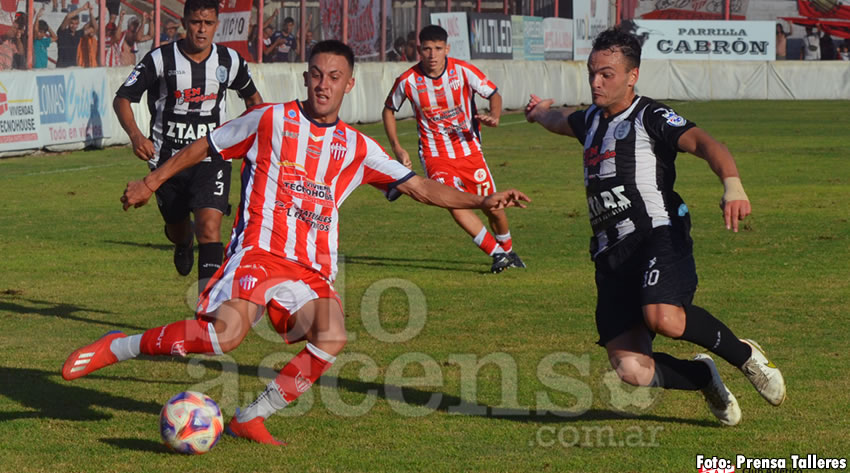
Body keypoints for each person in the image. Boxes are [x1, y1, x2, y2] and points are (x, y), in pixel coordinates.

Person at [62, 40, 529, 445]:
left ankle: (251, 417)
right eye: (317, 75)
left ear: (349, 85)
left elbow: (421, 187)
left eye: (335, 77)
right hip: (259, 253)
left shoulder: (358, 147)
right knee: (222, 337)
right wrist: (151, 182)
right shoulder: (269, 120)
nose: (323, 84)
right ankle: (118, 346)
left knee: (332, 336)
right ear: (306, 78)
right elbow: (207, 146)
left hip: (311, 269)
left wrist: (481, 197)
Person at [524, 27, 786, 426]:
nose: (596, 81)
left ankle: (747, 358)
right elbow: (561, 120)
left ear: (632, 76)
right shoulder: (591, 120)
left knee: (664, 318)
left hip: (658, 235)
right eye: (592, 72)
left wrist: (732, 184)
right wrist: (539, 112)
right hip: (610, 255)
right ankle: (701, 376)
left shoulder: (650, 115)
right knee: (632, 370)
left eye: (607, 74)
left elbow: (705, 143)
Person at [112, 0, 263, 292]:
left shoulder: (230, 61)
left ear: (217, 25)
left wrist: (252, 138)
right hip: (166, 161)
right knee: (178, 229)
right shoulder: (160, 59)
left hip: (212, 158)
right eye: (196, 22)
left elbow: (254, 102)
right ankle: (182, 242)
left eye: (208, 23)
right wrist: (136, 136)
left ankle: (209, 309)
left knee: (210, 228)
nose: (201, 30)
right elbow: (123, 98)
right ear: (184, 22)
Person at [383, 25, 525, 273]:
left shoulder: (463, 71)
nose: (432, 55)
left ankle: (508, 251)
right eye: (427, 49)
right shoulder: (407, 81)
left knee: (494, 207)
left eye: (438, 48)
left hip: (469, 151)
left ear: (447, 49)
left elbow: (493, 94)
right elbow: (388, 110)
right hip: (435, 155)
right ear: (419, 50)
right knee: (453, 202)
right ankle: (496, 254)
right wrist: (397, 147)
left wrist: (494, 114)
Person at [56, 2, 93, 67]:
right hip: (61, 67)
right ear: (68, 23)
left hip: (73, 67)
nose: (74, 26)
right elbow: (68, 16)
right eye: (72, 23)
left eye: (76, 24)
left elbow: (93, 28)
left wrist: (91, 13)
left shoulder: (78, 34)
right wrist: (82, 8)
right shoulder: (63, 32)